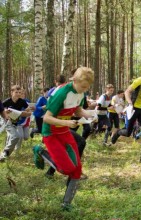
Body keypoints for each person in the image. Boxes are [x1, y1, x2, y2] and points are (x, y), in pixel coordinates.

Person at [33, 67, 94, 210]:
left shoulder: (80, 93)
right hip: (51, 133)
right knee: (66, 169)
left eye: (87, 87)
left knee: (77, 169)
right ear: (75, 80)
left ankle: (66, 204)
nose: (85, 90)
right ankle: (40, 151)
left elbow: (78, 109)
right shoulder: (61, 93)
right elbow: (47, 118)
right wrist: (66, 122)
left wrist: (88, 115)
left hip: (64, 132)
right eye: (83, 86)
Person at [111, 65, 141, 163]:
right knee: (128, 133)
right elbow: (127, 92)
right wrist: (130, 103)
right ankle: (117, 133)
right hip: (132, 108)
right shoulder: (140, 80)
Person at [0, 85, 32, 161]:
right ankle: (5, 153)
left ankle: (5, 153)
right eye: (16, 92)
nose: (18, 94)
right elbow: (2, 110)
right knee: (15, 136)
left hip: (16, 122)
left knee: (14, 137)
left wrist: (26, 113)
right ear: (11, 92)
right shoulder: (7, 101)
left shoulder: (22, 101)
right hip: (7, 121)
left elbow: (29, 112)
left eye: (19, 92)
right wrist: (5, 112)